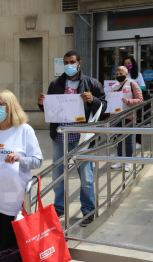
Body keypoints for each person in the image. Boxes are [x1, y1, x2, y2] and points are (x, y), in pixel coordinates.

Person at [37, 51, 107, 227]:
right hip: (59, 136)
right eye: (66, 62)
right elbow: (49, 111)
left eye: (72, 62)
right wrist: (41, 104)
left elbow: (105, 106)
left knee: (86, 176)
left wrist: (94, 100)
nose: (69, 65)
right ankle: (59, 206)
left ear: (79, 63)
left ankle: (89, 210)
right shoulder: (55, 84)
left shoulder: (91, 83)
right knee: (58, 174)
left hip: (82, 137)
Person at [0, 90, 43, 252]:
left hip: (16, 200)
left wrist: (19, 159)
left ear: (10, 107)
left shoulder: (25, 130)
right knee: (3, 244)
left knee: (16, 246)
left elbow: (37, 161)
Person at [110, 66, 143, 172]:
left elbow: (140, 100)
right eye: (117, 74)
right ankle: (120, 160)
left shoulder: (133, 84)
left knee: (128, 140)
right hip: (117, 116)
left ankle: (128, 162)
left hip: (129, 116)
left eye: (121, 73)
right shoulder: (114, 86)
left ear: (127, 73)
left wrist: (129, 102)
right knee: (119, 140)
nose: (119, 75)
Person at [122, 56, 146, 150]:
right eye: (125, 63)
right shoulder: (122, 75)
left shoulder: (137, 75)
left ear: (133, 64)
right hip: (124, 102)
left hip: (135, 102)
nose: (127, 65)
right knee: (124, 122)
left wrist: (133, 88)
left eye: (129, 63)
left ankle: (138, 142)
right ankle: (121, 140)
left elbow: (143, 87)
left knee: (137, 122)